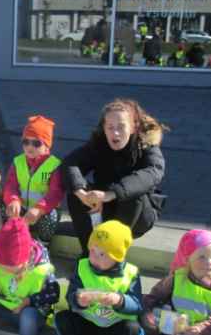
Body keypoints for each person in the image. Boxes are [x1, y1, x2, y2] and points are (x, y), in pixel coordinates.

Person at [62, 99, 166, 257]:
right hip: (103, 208)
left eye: (121, 126)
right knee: (75, 191)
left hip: (137, 216)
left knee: (133, 194)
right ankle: (89, 254)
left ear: (133, 127)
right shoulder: (98, 144)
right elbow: (70, 163)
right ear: (104, 129)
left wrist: (111, 194)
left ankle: (113, 255)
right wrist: (82, 194)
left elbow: (153, 172)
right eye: (110, 127)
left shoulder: (146, 145)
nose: (115, 133)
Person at [55, 220, 142, 335]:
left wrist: (120, 300)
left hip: (115, 329)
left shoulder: (131, 273)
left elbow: (137, 305)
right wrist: (78, 300)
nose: (94, 257)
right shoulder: (82, 266)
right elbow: (71, 296)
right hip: (88, 324)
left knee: (132, 329)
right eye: (92, 251)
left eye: (102, 254)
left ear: (117, 256)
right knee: (64, 317)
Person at [3, 115, 64, 243]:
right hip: (22, 207)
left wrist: (39, 208)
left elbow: (55, 193)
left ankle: (43, 244)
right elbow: (10, 185)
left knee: (51, 217)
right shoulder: (18, 162)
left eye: (36, 143)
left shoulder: (53, 166)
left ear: (47, 146)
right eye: (26, 142)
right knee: (4, 209)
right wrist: (13, 200)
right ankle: (11, 238)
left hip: (43, 211)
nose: (29, 147)